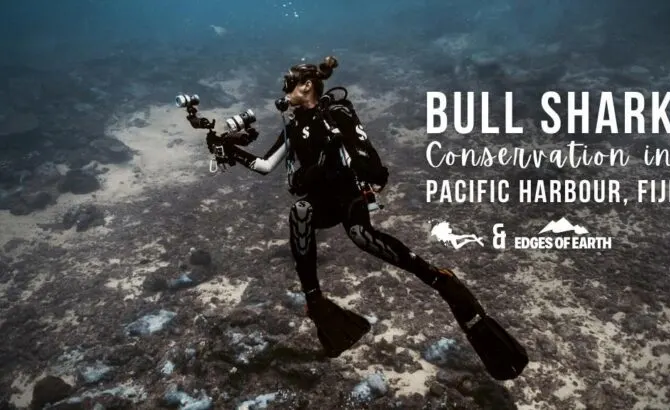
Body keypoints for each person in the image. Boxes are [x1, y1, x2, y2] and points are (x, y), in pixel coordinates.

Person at [212, 56, 528, 380]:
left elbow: (366, 155)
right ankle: (315, 301)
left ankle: (439, 279)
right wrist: (229, 150)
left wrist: (361, 169)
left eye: (289, 84)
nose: (284, 91)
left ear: (307, 85)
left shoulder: (336, 113)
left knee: (362, 236)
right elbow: (265, 166)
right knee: (301, 212)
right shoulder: (292, 127)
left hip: (349, 196)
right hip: (322, 202)